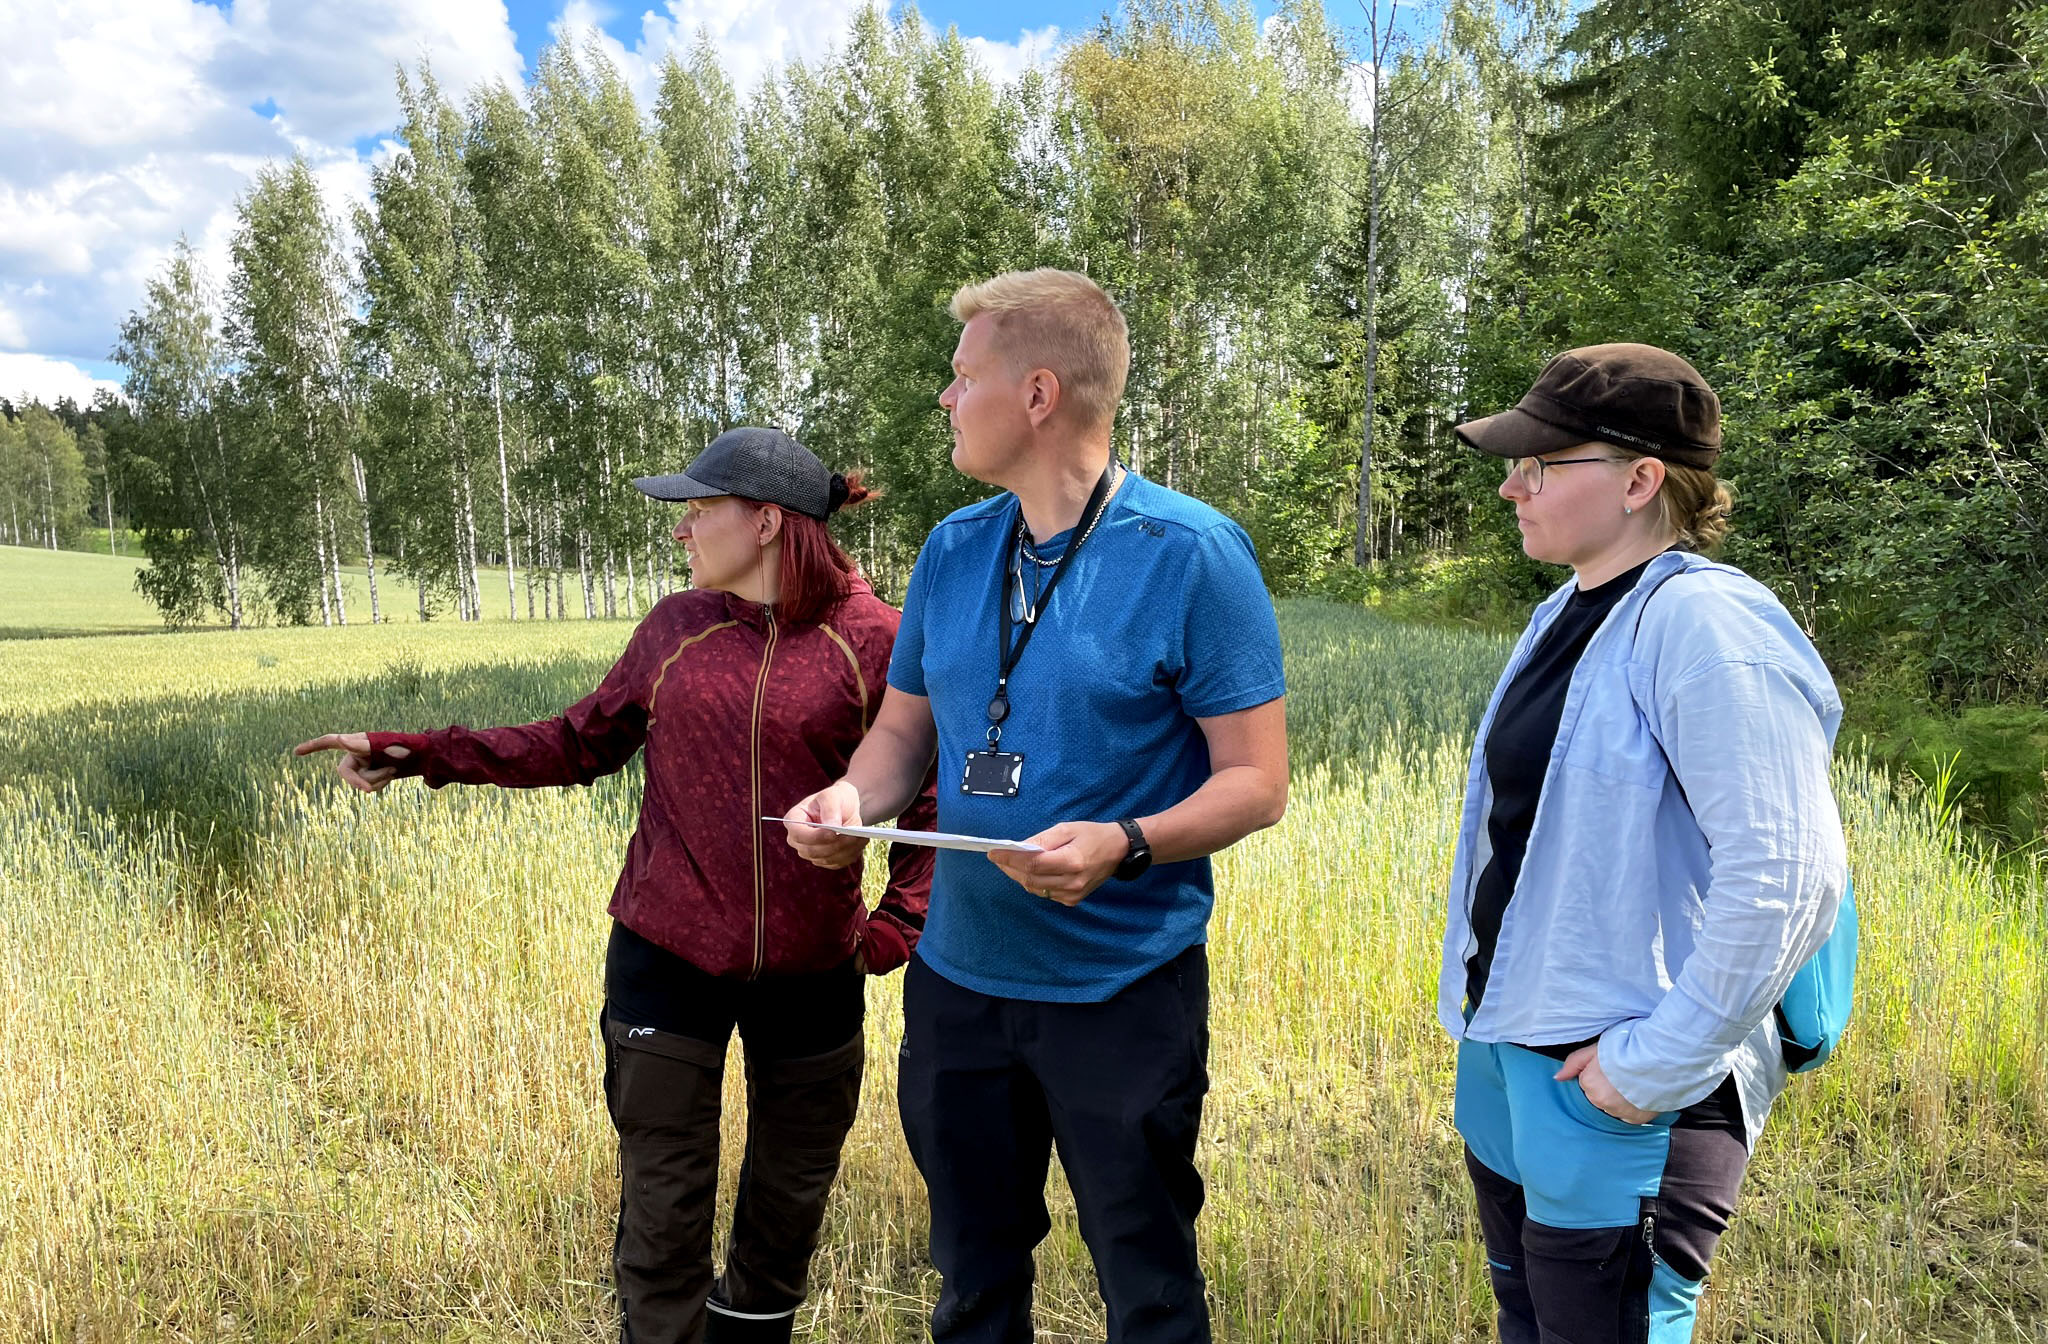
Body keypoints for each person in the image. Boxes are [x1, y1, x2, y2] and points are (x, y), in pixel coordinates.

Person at [294, 426, 936, 1344]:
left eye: (698, 510)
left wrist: (893, 928)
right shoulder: (674, 629)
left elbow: (926, 793)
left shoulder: (876, 640)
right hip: (665, 957)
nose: (681, 530)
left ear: (764, 522)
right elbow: (576, 742)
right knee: (664, 1202)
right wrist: (421, 752)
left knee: (790, 1197)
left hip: (813, 971)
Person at [782, 268, 1289, 1344]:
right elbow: (903, 735)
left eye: (963, 376)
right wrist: (849, 799)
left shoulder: (1192, 556)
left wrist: (1126, 842)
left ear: (1039, 394)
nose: (945, 397)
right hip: (958, 985)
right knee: (972, 1280)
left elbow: (1256, 782)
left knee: (1148, 1285)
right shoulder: (953, 549)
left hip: (1122, 990)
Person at [1441, 344, 1849, 1341]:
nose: (1511, 487)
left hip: (1622, 1086)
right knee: (1532, 1321)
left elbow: (1788, 875)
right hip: (1521, 1054)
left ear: (1639, 482)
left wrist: (1657, 1064)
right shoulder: (1569, 610)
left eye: (1540, 465)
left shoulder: (1708, 626)